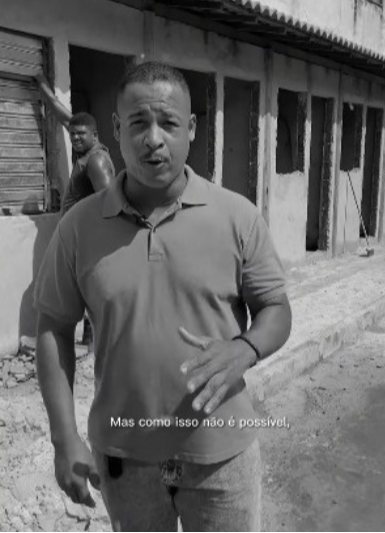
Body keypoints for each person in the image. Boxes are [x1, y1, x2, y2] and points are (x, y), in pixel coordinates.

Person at [34, 61, 292, 531]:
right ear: (116, 129)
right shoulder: (79, 229)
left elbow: (276, 309)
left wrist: (245, 348)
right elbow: (53, 326)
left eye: (169, 123)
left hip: (223, 458)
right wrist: (63, 437)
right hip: (124, 460)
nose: (154, 138)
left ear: (190, 129)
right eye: (139, 123)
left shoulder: (237, 217)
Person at [35, 73, 116, 349]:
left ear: (95, 135)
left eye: (82, 134)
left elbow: (107, 200)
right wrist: (43, 87)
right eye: (73, 134)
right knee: (80, 282)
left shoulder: (97, 161)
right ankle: (90, 338)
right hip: (77, 233)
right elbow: (63, 116)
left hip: (88, 235)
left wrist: (94, 236)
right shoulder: (84, 153)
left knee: (89, 282)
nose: (76, 138)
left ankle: (95, 341)